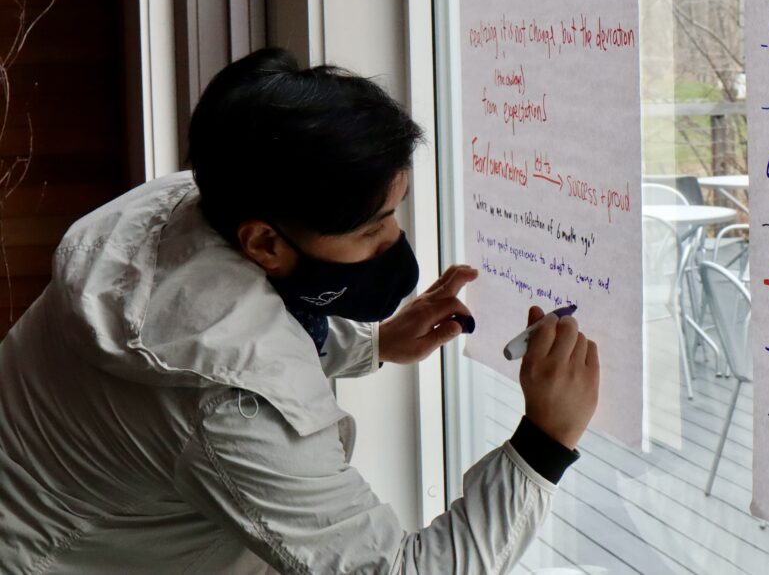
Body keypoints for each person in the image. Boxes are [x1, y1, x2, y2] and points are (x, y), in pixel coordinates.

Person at [0, 48, 600, 574]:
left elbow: (218, 324)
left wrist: (373, 342)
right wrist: (545, 441)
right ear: (264, 242)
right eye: (371, 228)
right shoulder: (229, 410)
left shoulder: (186, 199)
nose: (393, 244)